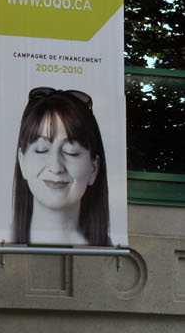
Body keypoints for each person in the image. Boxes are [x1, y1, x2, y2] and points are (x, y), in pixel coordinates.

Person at [8, 86, 112, 247]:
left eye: (71, 151)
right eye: (42, 149)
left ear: (94, 168)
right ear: (22, 162)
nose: (56, 167)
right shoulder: (6, 239)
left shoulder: (109, 251)